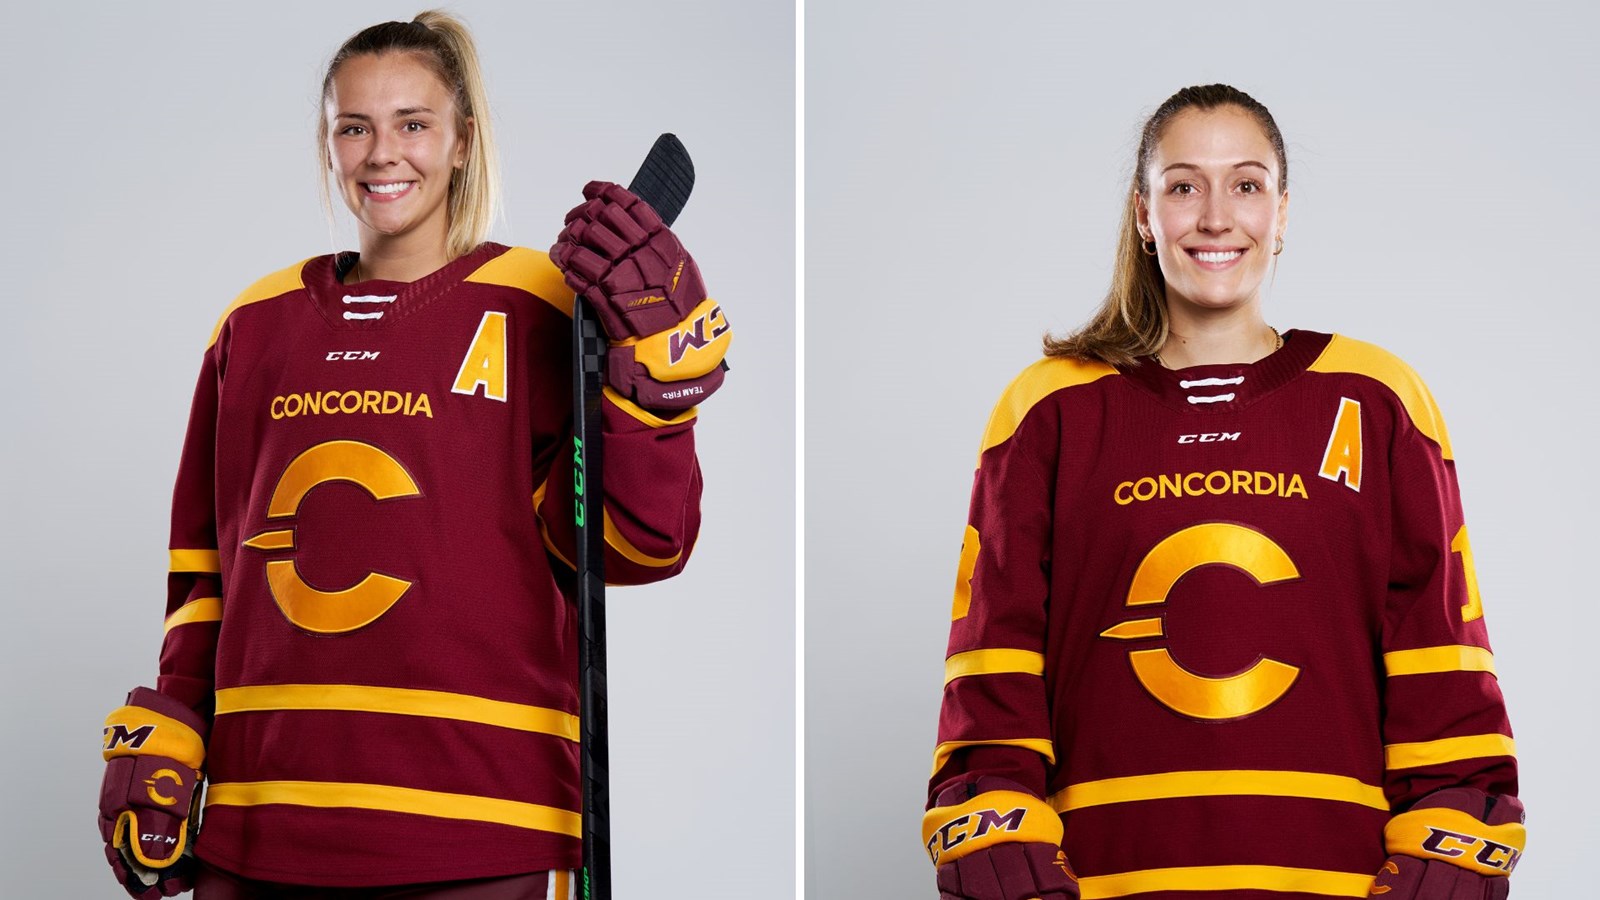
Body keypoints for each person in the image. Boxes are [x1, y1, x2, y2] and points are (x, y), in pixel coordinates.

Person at [95, 11, 730, 899]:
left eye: (413, 124)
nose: (381, 152)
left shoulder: (542, 305)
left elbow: (633, 545)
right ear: (329, 146)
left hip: (480, 823)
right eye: (354, 126)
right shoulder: (254, 323)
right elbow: (209, 571)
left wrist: (652, 396)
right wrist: (175, 718)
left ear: (463, 141)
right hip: (259, 815)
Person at [922, 84, 1521, 900]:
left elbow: (1440, 658)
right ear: (1143, 214)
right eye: (1182, 185)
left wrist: (1456, 834)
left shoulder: (1377, 396)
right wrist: (991, 820)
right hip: (1105, 879)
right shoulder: (1049, 407)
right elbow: (997, 664)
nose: (1214, 217)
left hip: (1337, 881)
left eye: (1246, 184)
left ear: (1282, 213)